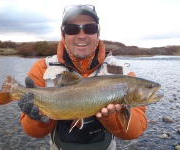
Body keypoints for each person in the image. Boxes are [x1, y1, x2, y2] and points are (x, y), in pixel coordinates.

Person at [18, 4, 147, 150]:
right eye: (72, 29)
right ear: (63, 34)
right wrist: (35, 119)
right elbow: (32, 133)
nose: (81, 35)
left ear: (98, 33)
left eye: (89, 28)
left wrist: (110, 116)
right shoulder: (42, 69)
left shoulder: (122, 72)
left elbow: (135, 131)